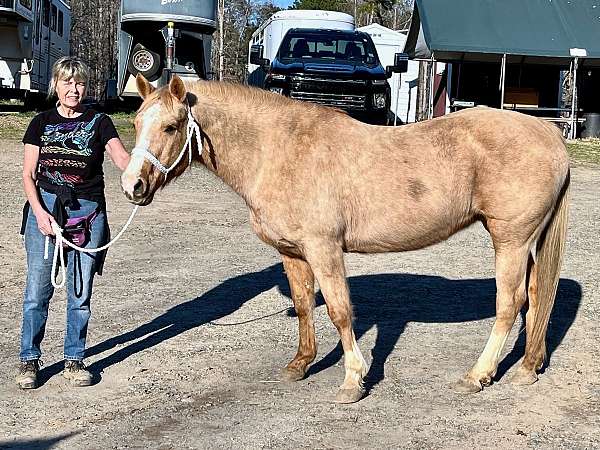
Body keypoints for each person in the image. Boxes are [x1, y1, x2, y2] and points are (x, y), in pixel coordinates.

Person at [16, 57, 130, 389]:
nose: (73, 89)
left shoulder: (101, 122)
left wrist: (144, 172)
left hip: (88, 214)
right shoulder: (40, 122)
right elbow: (28, 174)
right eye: (67, 82)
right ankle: (29, 360)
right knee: (37, 291)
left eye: (79, 83)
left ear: (86, 87)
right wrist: (38, 212)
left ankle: (74, 359)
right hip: (46, 210)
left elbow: (121, 158)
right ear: (56, 84)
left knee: (80, 292)